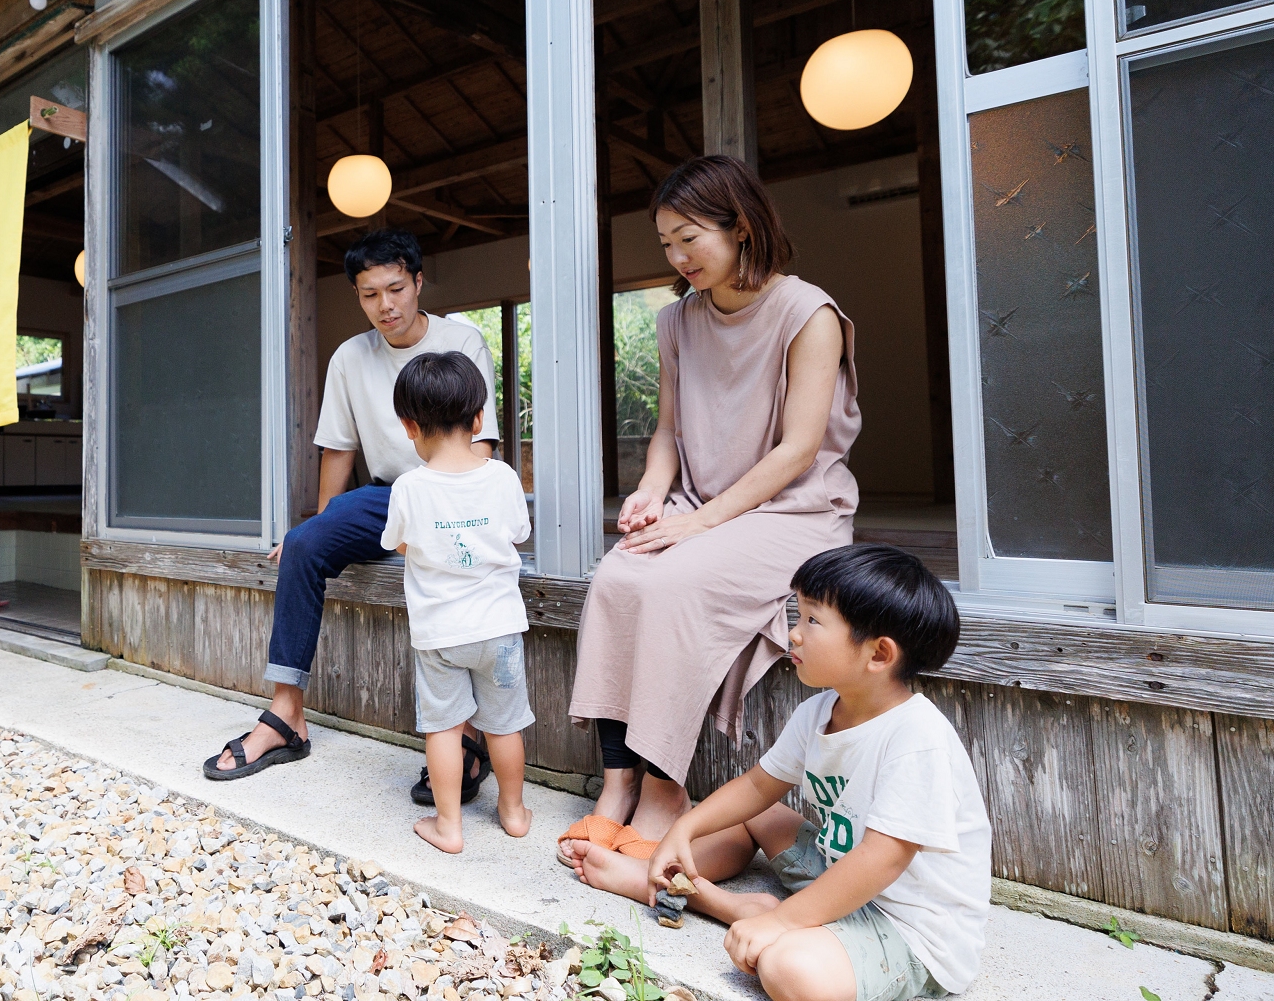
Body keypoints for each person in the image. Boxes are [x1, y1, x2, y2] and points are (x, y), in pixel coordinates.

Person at [558, 154, 861, 864]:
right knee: (616, 577)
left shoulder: (805, 311)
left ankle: (667, 791)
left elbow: (798, 449)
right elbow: (669, 431)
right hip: (703, 500)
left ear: (743, 226)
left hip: (795, 511)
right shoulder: (676, 321)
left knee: (668, 583)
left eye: (690, 236)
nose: (677, 255)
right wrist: (653, 493)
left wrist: (696, 522)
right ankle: (616, 785)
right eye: (666, 242)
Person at [569, 544, 989, 1001]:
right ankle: (668, 876)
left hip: (909, 930)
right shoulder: (821, 710)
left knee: (786, 968)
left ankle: (732, 905)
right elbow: (757, 787)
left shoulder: (917, 738)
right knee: (753, 812)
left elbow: (883, 858)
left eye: (812, 620)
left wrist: (783, 921)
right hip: (840, 873)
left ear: (879, 654)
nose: (794, 634)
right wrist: (684, 828)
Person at [204, 228, 501, 802]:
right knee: (306, 543)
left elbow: (481, 443)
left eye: (395, 289)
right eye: (369, 295)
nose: (385, 305)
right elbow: (338, 451)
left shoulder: (462, 340)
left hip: (452, 491)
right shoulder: (350, 356)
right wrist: (319, 530)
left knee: (448, 563)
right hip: (388, 494)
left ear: (417, 283)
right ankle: (286, 714)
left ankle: (464, 735)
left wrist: (448, 514)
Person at [380, 351, 535, 853]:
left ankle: (449, 826)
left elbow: (400, 544)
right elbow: (517, 534)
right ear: (477, 419)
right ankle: (512, 812)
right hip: (499, 629)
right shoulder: (503, 476)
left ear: (408, 427)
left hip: (440, 633)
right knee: (505, 724)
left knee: (444, 728)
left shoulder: (409, 487)